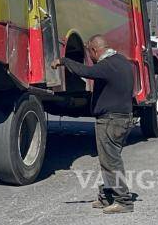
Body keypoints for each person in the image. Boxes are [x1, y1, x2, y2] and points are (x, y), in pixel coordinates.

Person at [51, 34, 135, 214]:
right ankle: (107, 196)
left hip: (110, 121)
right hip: (123, 119)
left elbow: (85, 72)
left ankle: (123, 201)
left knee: (111, 162)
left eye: (90, 54)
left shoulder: (107, 65)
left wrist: (63, 60)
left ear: (94, 50)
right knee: (110, 160)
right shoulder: (122, 61)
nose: (91, 58)